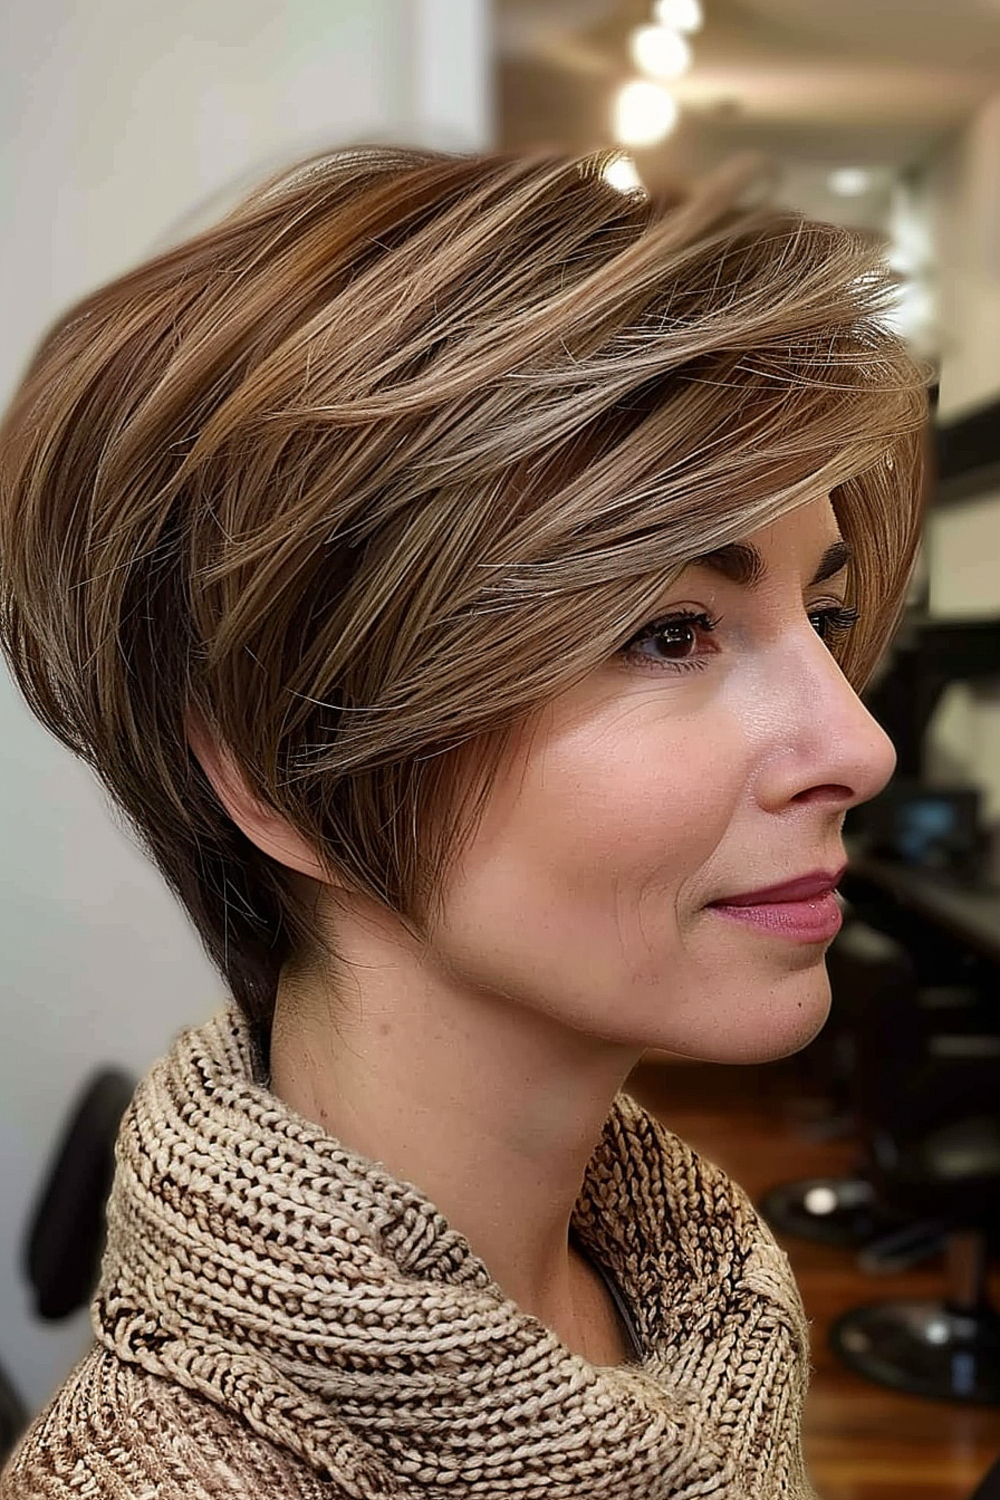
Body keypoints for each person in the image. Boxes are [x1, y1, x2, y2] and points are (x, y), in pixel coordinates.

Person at [0, 144, 927, 1499]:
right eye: (669, 631)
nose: (861, 743)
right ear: (280, 767)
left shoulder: (700, 1289)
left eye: (826, 620)